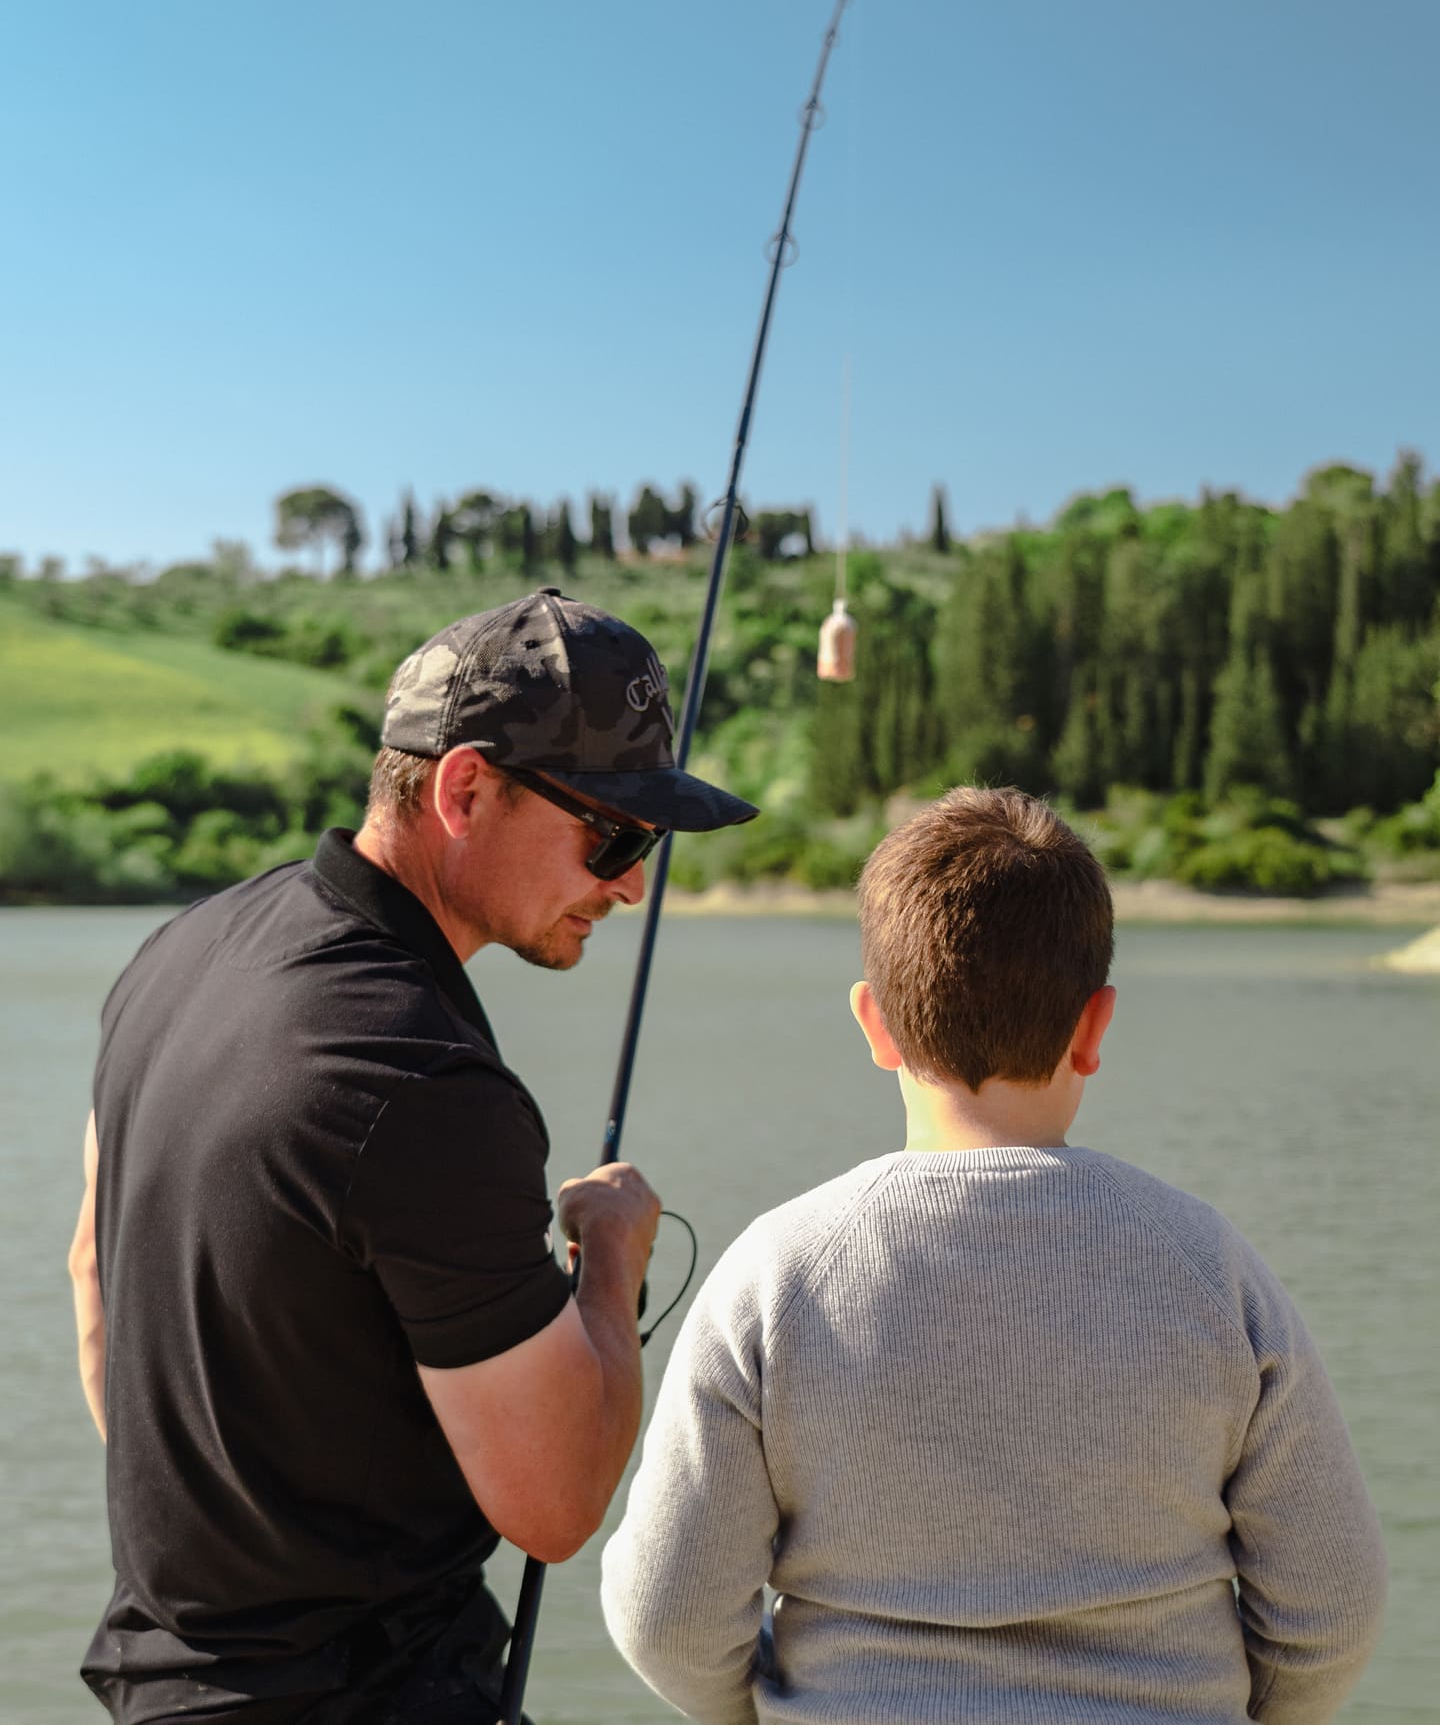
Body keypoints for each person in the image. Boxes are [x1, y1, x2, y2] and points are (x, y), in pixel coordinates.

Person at [67, 587, 758, 1725]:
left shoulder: (178, 952)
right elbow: (555, 1501)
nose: (632, 883)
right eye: (614, 835)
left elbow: (96, 1275)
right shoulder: (422, 1086)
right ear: (464, 788)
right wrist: (609, 1265)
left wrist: (234, 1522)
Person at [601, 786, 1387, 1725]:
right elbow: (1333, 1612)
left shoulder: (777, 1274)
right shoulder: (1210, 1270)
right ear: (1094, 1028)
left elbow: (667, 1617)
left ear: (874, 1025)